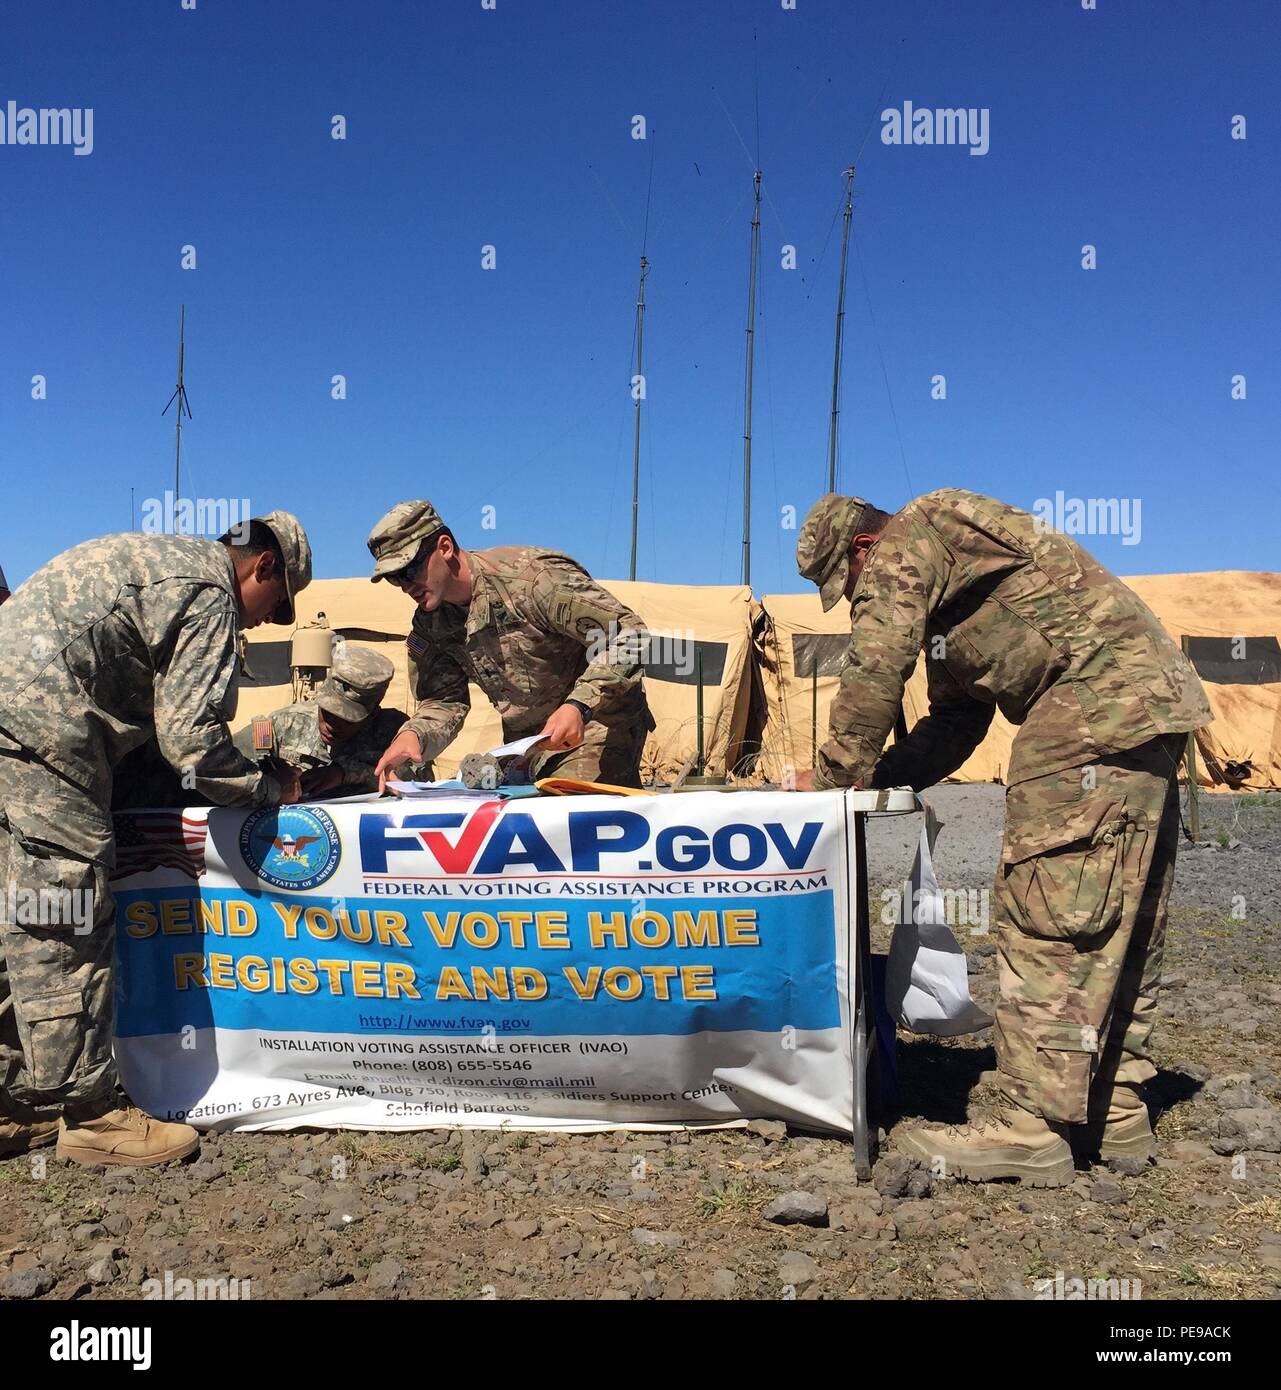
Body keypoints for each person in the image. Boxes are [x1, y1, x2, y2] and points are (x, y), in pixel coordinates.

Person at [793, 489, 1210, 1185]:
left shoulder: (915, 532)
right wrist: (879, 782)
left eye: (853, 587)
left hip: (1085, 711)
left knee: (1047, 916)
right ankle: (1114, 1107)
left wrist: (834, 781)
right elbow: (958, 720)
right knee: (1116, 914)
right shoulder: (956, 580)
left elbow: (873, 665)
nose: (862, 597)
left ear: (864, 550)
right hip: (1138, 709)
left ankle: (1031, 1129)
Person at [0, 513, 312, 1165]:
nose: (256, 624)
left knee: (17, 913)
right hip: (44, 736)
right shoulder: (209, 590)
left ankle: (16, 1102)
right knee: (65, 917)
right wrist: (264, 791)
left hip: (18, 723)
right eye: (271, 608)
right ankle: (91, 1120)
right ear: (263, 568)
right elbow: (191, 741)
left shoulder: (152, 555)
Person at [367, 501, 652, 789]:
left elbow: (629, 634)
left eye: (410, 569)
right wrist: (413, 736)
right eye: (394, 578)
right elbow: (444, 700)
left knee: (565, 811)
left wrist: (579, 704)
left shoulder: (532, 580)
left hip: (597, 721)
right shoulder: (430, 625)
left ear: (445, 547)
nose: (405, 585)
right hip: (528, 743)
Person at [233, 645, 418, 796]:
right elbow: (223, 769)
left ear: (373, 713)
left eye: (347, 719)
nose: (331, 725)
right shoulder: (283, 724)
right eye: (327, 712)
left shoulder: (395, 733)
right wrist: (272, 783)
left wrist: (347, 773)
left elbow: (417, 786)